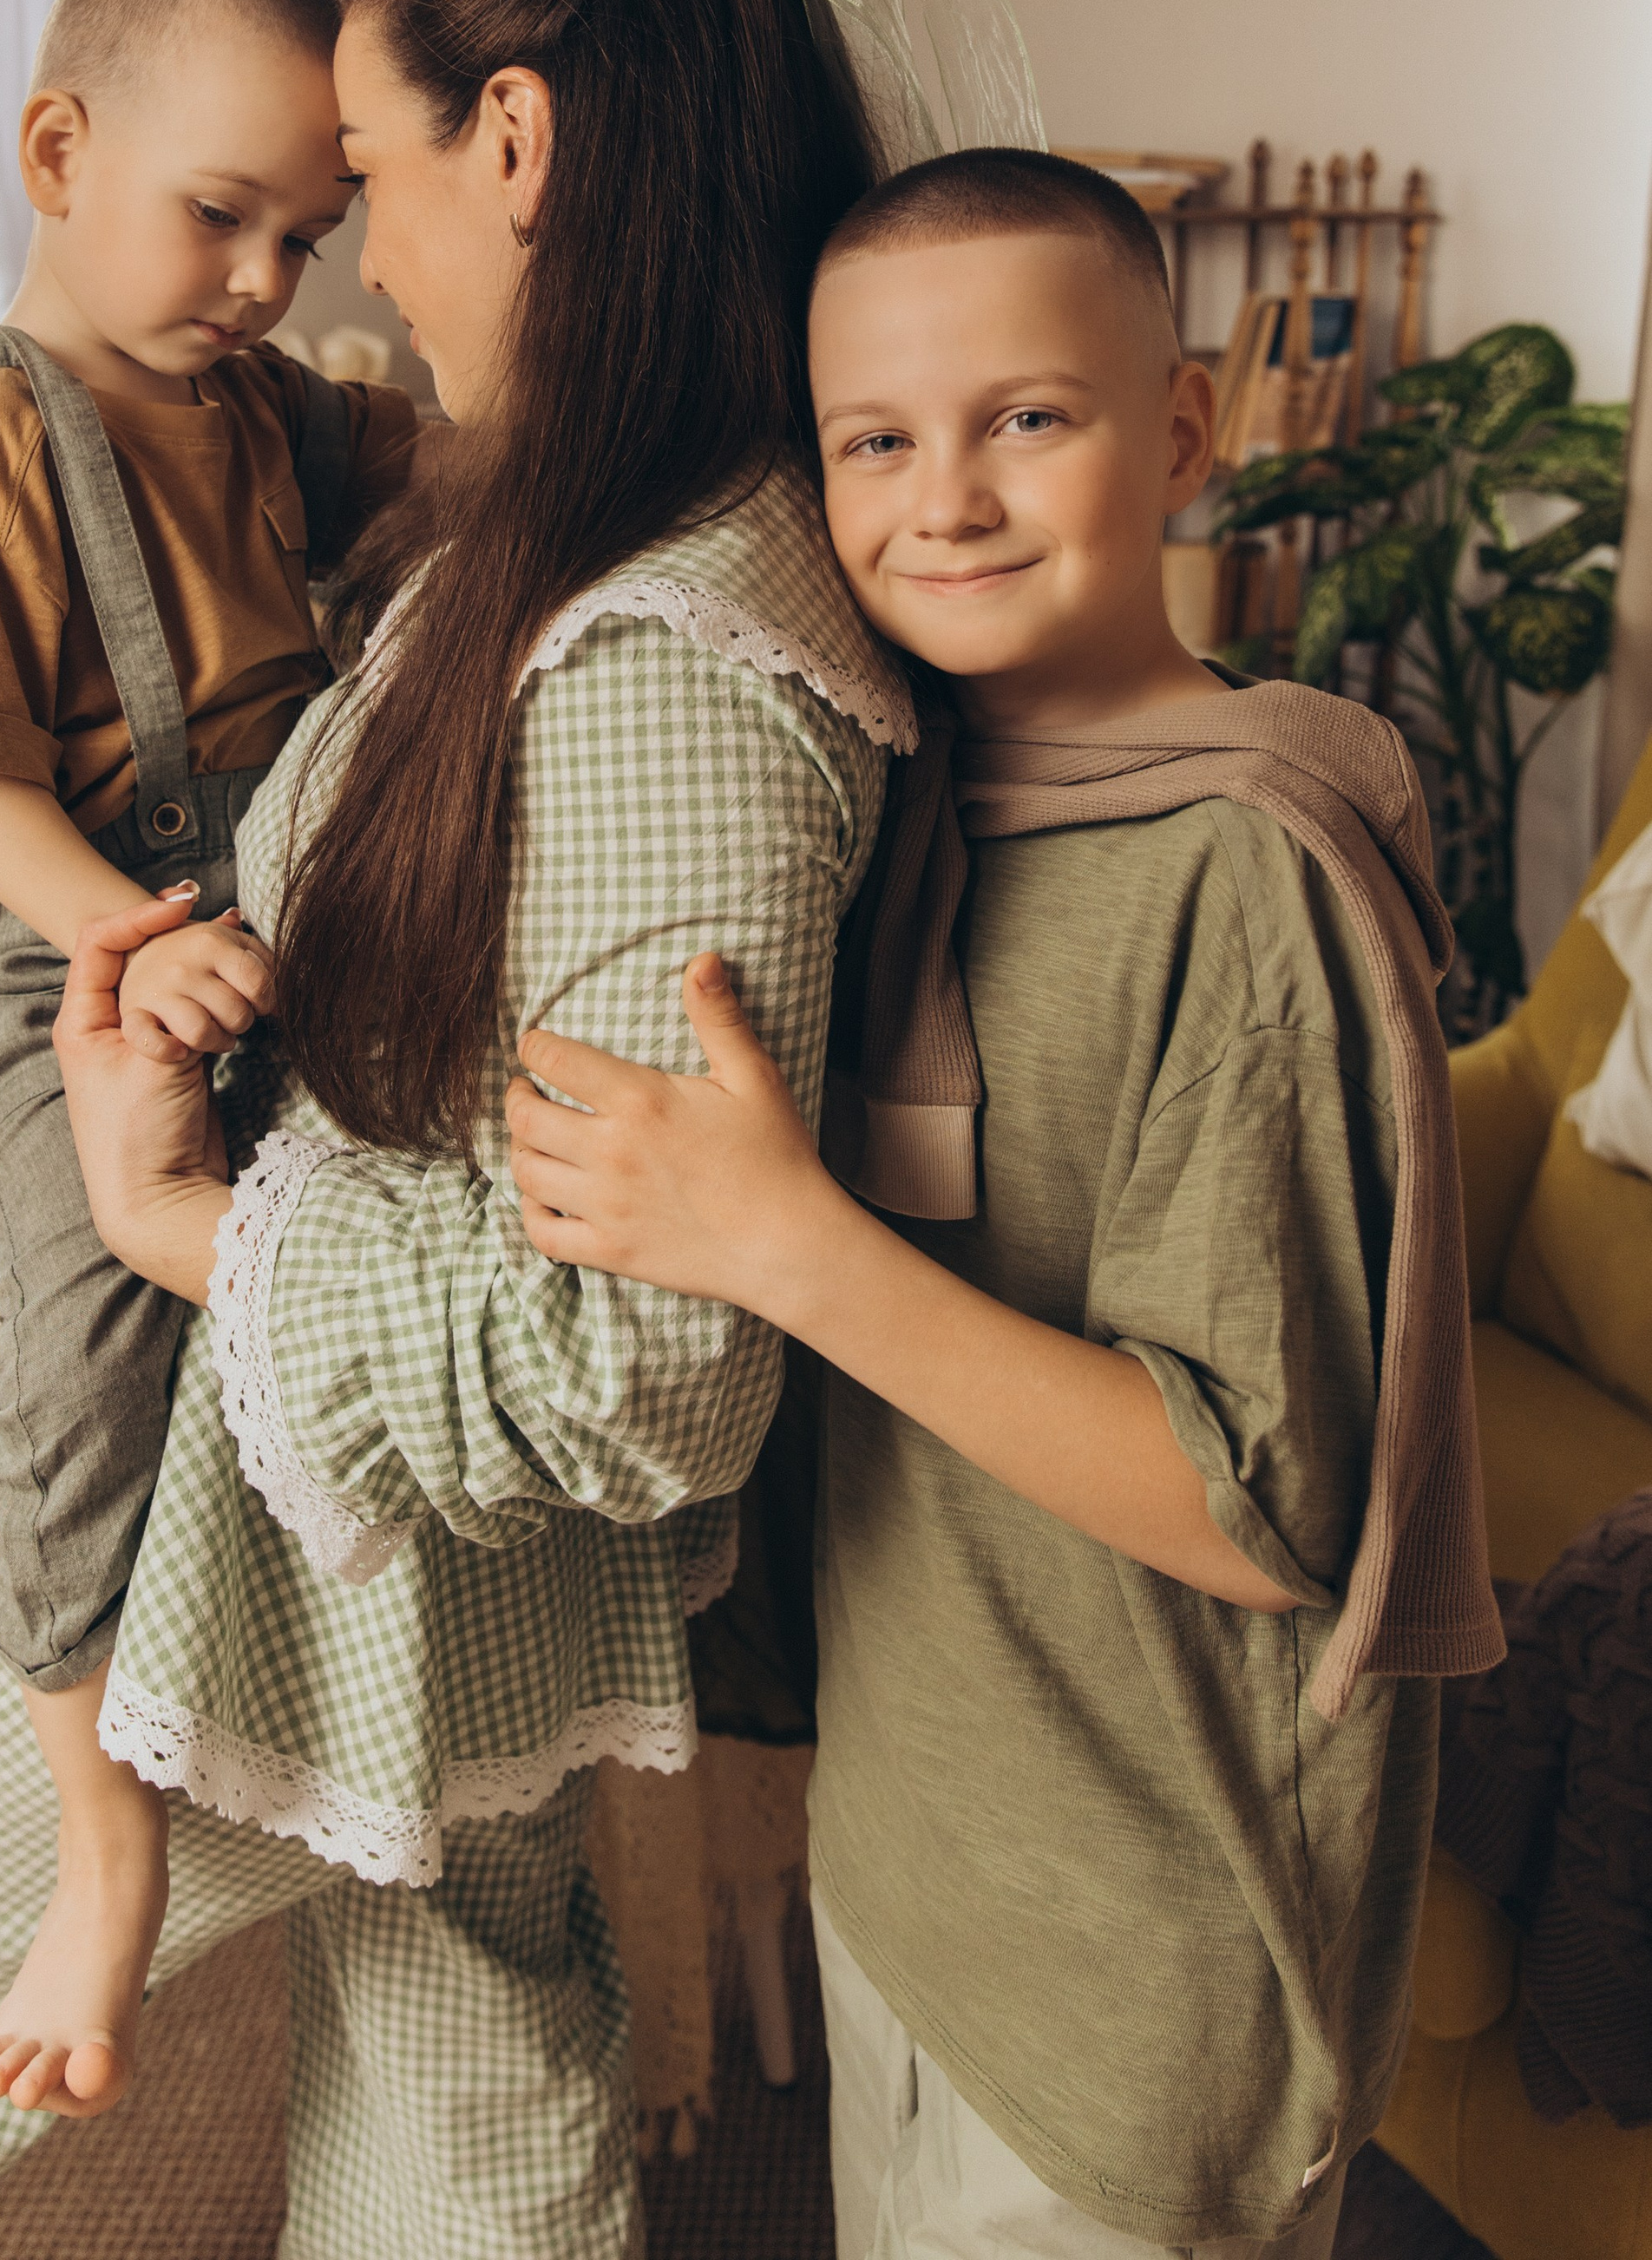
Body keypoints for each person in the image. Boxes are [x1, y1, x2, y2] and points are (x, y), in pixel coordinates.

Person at [0, 0, 1026, 2260]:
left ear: (516, 144)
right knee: (455, 2087)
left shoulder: (661, 668)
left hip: (287, 1534)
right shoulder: (605, 532)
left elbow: (639, 1364)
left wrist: (178, 1218)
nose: (343, 267)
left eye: (362, 181)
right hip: (396, 1543)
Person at [503, 147, 1504, 2260]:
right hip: (921, 1859)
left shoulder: (1240, 878)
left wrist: (784, 1244)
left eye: (1023, 418)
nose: (942, 499)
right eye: (873, 440)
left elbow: (1260, 1509)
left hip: (1141, 1955)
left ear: (1179, 428)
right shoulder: (895, 811)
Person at [0, 0, 422, 2119]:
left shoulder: (258, 401)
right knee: (91, 1339)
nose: (264, 280)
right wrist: (119, 940)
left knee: (357, 1248)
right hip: (75, 939)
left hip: (269, 913)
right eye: (219, 217)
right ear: (58, 152)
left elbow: (439, 473)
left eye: (308, 236)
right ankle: (102, 1858)